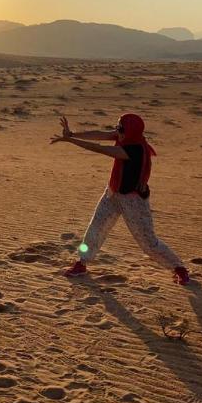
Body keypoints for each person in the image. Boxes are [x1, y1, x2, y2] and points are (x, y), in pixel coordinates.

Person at [51, 113, 189, 284]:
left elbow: (100, 148)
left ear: (131, 131)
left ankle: (179, 268)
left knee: (148, 242)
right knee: (96, 227)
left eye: (120, 128)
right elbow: (100, 134)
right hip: (113, 193)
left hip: (133, 201)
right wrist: (72, 134)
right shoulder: (125, 136)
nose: (117, 131)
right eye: (117, 127)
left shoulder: (135, 149)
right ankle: (82, 263)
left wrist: (71, 141)